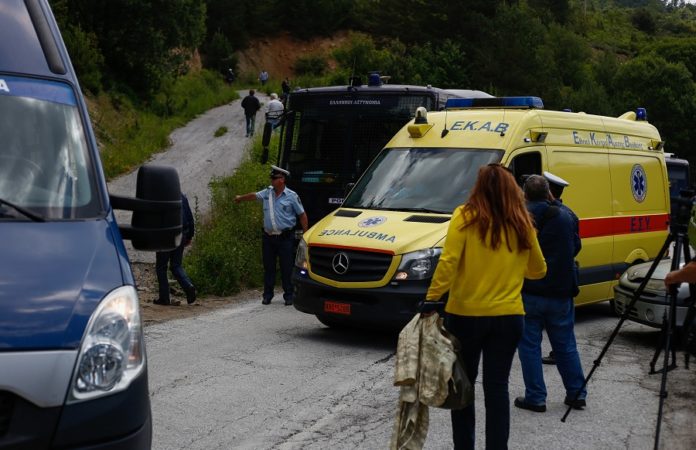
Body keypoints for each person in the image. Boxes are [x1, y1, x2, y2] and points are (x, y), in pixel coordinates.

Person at [423, 164, 547, 450]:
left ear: (478, 187)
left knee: (463, 386)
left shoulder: (464, 216)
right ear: (513, 189)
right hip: (509, 315)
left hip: (466, 315)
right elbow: (538, 270)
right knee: (497, 387)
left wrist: (432, 298)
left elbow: (449, 262)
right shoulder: (522, 222)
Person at [514, 174, 587, 413]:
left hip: (530, 291)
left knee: (529, 346)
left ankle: (536, 397)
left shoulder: (518, 216)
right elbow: (576, 246)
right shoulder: (566, 215)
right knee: (565, 344)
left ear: (525, 193)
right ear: (548, 193)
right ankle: (576, 394)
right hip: (560, 291)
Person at [234, 165, 308, 305]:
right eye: (271, 178)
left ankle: (289, 295)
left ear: (282, 180)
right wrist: (240, 198)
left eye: (275, 178)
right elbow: (254, 195)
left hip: (285, 237)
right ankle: (267, 295)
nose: (272, 180)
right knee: (269, 268)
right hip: (268, 237)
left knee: (286, 267)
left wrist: (305, 235)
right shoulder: (267, 193)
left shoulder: (292, 196)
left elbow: (302, 215)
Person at [541, 170, 579, 365]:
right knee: (564, 325)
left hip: (543, 279)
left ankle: (559, 352)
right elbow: (576, 246)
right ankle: (560, 352)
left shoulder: (542, 213)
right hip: (564, 279)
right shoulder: (570, 214)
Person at [154, 193, 196, 306]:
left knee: (161, 267)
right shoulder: (182, 196)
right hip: (181, 233)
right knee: (176, 265)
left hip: (165, 235)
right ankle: (188, 286)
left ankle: (164, 298)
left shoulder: (157, 198)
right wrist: (190, 236)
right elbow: (189, 217)